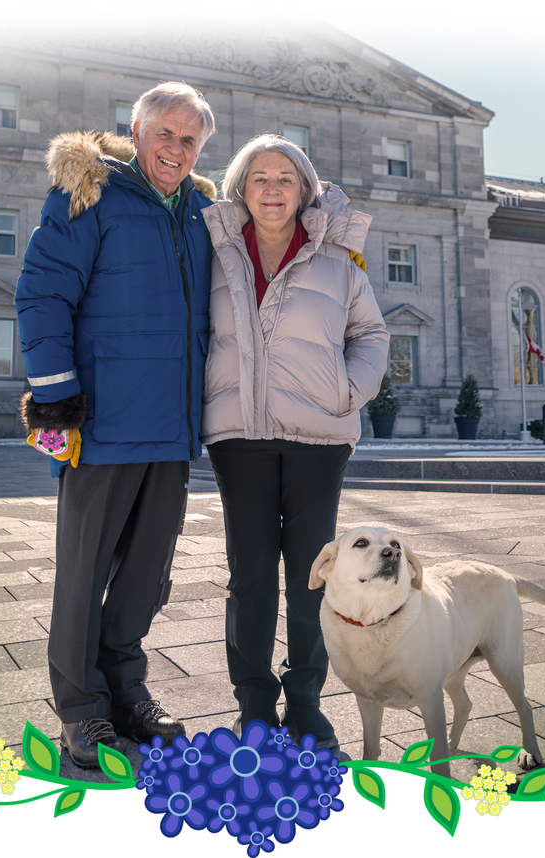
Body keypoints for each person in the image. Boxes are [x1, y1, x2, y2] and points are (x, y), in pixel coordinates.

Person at [14, 82, 216, 768]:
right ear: (137, 132)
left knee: (146, 578)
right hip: (101, 426)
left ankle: (127, 693)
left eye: (190, 140)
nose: (177, 149)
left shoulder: (201, 212)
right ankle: (81, 710)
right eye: (165, 134)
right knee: (84, 574)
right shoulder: (90, 193)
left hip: (172, 428)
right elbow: (43, 295)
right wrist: (56, 401)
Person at [200, 134, 389, 750]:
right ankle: (255, 704)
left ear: (305, 190)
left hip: (318, 440)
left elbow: (371, 333)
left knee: (314, 575)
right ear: (241, 188)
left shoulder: (339, 256)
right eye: (260, 178)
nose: (273, 189)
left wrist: (348, 391)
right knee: (250, 576)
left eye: (286, 178)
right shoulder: (213, 248)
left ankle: (306, 701)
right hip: (240, 437)